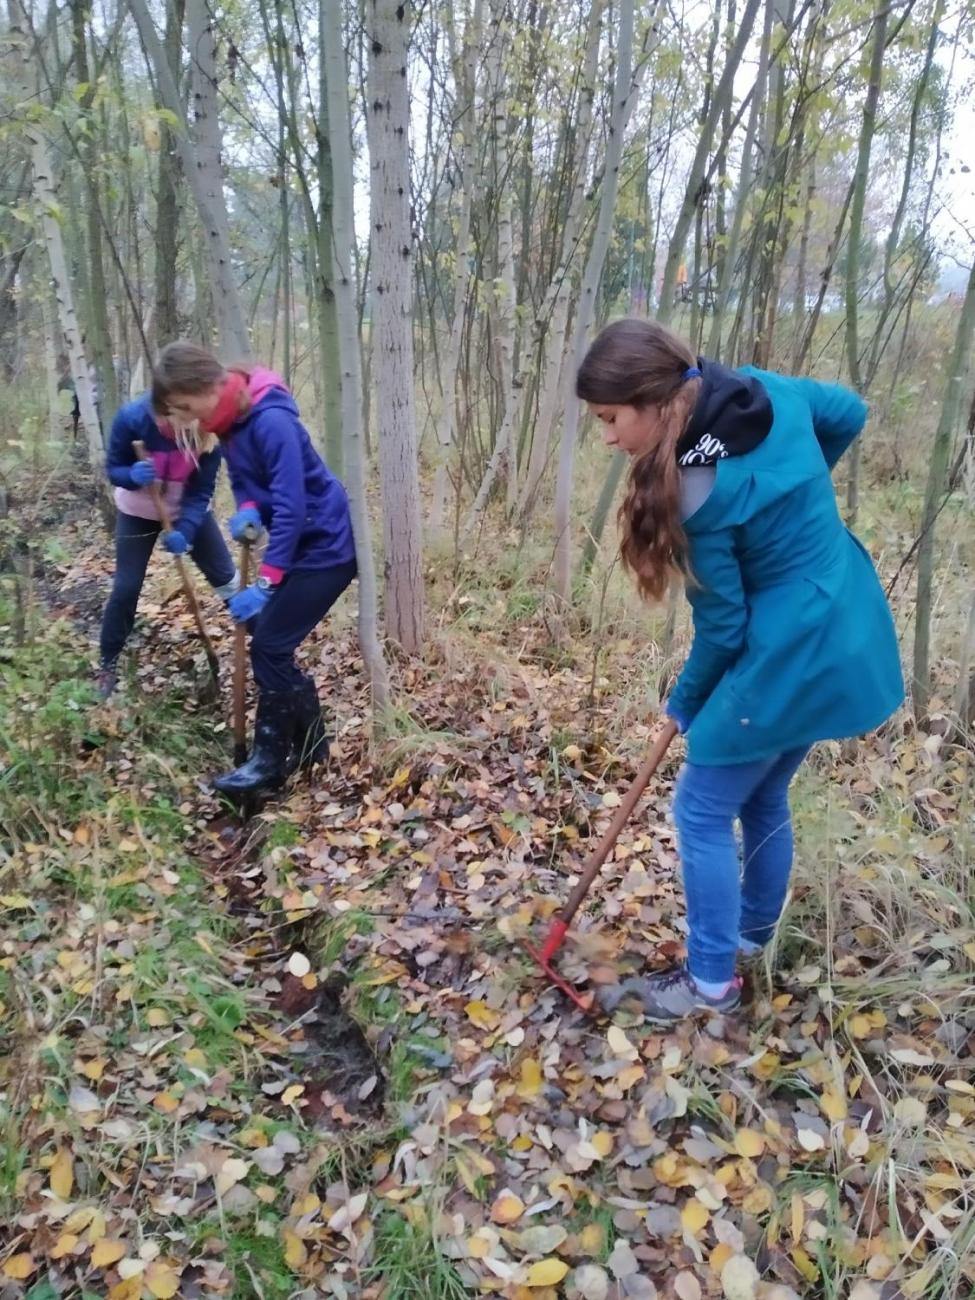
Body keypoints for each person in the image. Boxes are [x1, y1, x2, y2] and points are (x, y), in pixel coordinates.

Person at [577, 318, 903, 1024]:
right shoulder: (766, 393)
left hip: (786, 651)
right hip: (842, 616)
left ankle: (709, 986)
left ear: (654, 399)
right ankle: (750, 936)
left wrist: (683, 703)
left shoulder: (698, 489)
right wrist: (800, 498)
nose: (607, 438)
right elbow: (846, 411)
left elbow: (723, 630)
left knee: (699, 806)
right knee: (761, 793)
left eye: (610, 419)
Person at [150, 342, 357, 799]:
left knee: (268, 644)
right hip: (301, 544)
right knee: (272, 643)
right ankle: (312, 747)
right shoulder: (229, 428)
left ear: (205, 387)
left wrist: (267, 582)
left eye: (186, 408)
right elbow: (247, 485)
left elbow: (292, 503)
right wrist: (246, 510)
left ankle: (268, 763)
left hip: (327, 547)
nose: (187, 422)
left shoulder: (271, 421)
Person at [97, 390, 238, 699]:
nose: (170, 430)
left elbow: (200, 493)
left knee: (229, 580)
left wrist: (185, 531)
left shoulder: (207, 432)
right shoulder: (133, 418)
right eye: (164, 422)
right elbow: (113, 469)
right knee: (126, 588)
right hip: (137, 512)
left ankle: (266, 648)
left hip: (189, 511)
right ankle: (108, 663)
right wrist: (131, 475)